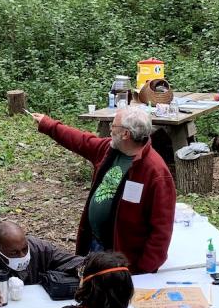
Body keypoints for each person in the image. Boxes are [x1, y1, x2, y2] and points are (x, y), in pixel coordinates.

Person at [29, 106, 175, 274]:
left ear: (125, 134)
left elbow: (161, 231)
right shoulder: (110, 149)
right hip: (95, 244)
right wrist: (48, 124)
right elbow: (80, 141)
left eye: (113, 126)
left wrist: (141, 270)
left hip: (125, 261)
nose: (110, 130)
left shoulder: (155, 172)